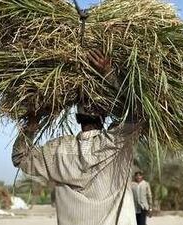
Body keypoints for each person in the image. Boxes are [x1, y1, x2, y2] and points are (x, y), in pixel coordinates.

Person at [12, 50, 141, 225]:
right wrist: (109, 75)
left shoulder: (56, 151)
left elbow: (20, 157)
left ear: (76, 118)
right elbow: (138, 112)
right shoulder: (117, 142)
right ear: (104, 116)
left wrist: (33, 123)